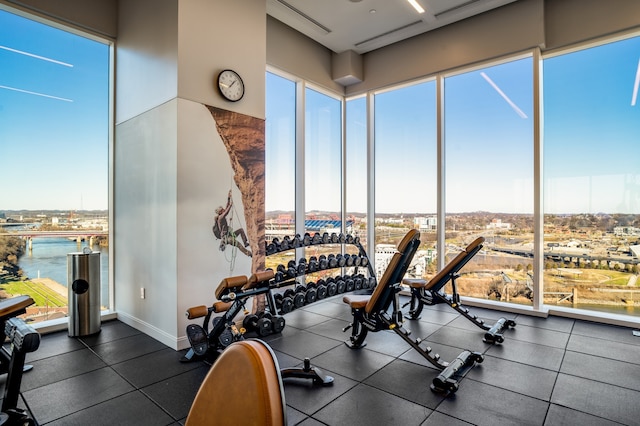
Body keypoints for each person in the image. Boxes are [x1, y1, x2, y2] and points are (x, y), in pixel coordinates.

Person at [213, 190, 251, 257]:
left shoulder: (221, 217)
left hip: (229, 236)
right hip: (228, 238)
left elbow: (226, 208)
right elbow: (226, 212)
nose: (224, 209)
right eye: (222, 210)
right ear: (220, 212)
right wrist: (230, 205)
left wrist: (228, 198)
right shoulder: (221, 218)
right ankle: (249, 254)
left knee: (241, 230)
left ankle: (245, 243)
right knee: (239, 245)